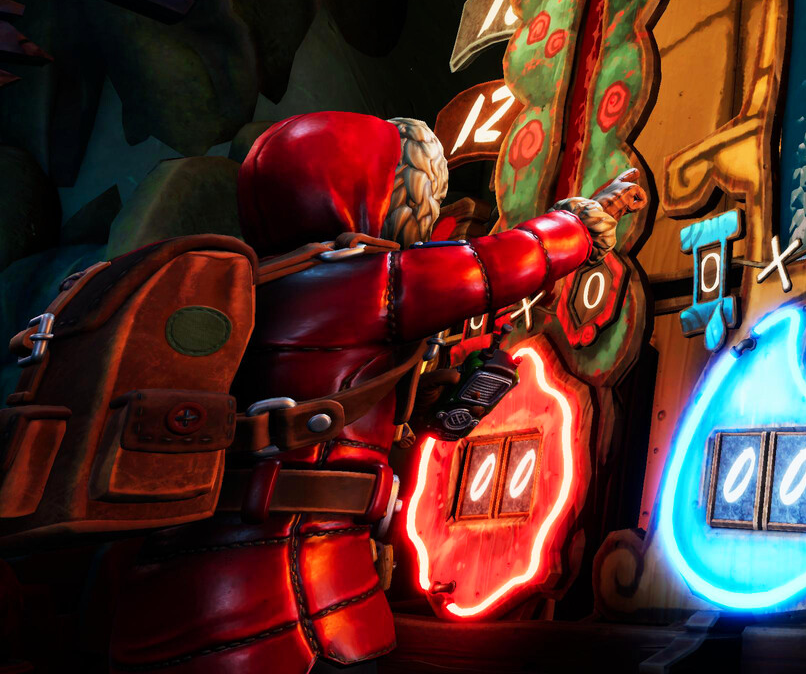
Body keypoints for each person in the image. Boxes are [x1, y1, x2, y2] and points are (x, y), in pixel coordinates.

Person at [108, 112, 641, 674]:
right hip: (289, 601)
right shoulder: (358, 280)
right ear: (367, 189)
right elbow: (499, 265)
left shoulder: (245, 289)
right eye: (411, 188)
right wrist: (586, 219)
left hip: (171, 588)